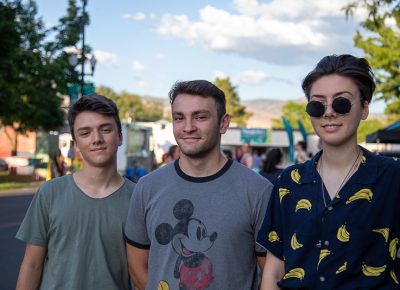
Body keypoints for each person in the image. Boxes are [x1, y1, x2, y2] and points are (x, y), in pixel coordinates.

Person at [257, 54, 400, 290]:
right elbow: (273, 271)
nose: (328, 113)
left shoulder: (392, 177)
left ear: (364, 108)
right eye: (317, 104)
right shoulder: (289, 182)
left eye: (341, 103)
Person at [125, 80, 273, 290]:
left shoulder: (258, 191)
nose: (188, 127)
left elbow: (270, 275)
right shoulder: (147, 188)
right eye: (179, 118)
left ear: (223, 123)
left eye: (200, 117)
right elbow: (137, 267)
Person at [16, 94, 135, 290]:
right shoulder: (49, 193)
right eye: (85, 133)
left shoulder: (138, 198)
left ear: (120, 136)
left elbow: (142, 272)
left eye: (105, 129)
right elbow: (31, 266)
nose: (96, 139)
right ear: (76, 144)